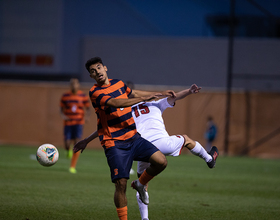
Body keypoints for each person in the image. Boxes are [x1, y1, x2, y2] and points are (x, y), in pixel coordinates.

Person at [74, 57, 175, 220]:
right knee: (121, 184)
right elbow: (115, 102)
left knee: (161, 161)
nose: (97, 72)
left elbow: (133, 93)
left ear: (105, 68)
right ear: (91, 76)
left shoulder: (119, 84)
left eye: (99, 68)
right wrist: (144, 99)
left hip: (133, 138)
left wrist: (157, 94)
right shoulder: (95, 93)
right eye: (93, 71)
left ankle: (141, 184)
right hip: (114, 144)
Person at [131, 84, 219, 220]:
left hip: (142, 147)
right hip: (161, 143)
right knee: (186, 139)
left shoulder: (126, 108)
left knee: (143, 184)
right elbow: (175, 96)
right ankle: (209, 159)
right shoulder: (155, 103)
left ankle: (145, 218)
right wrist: (189, 91)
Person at [60, 78, 90, 174]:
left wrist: (87, 117)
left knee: (77, 143)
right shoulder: (65, 96)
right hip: (68, 123)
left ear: (78, 85)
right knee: (67, 143)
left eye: (75, 84)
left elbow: (88, 108)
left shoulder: (83, 96)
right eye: (72, 84)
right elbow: (61, 109)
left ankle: (72, 166)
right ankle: (68, 150)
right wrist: (63, 116)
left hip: (79, 123)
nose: (73, 86)